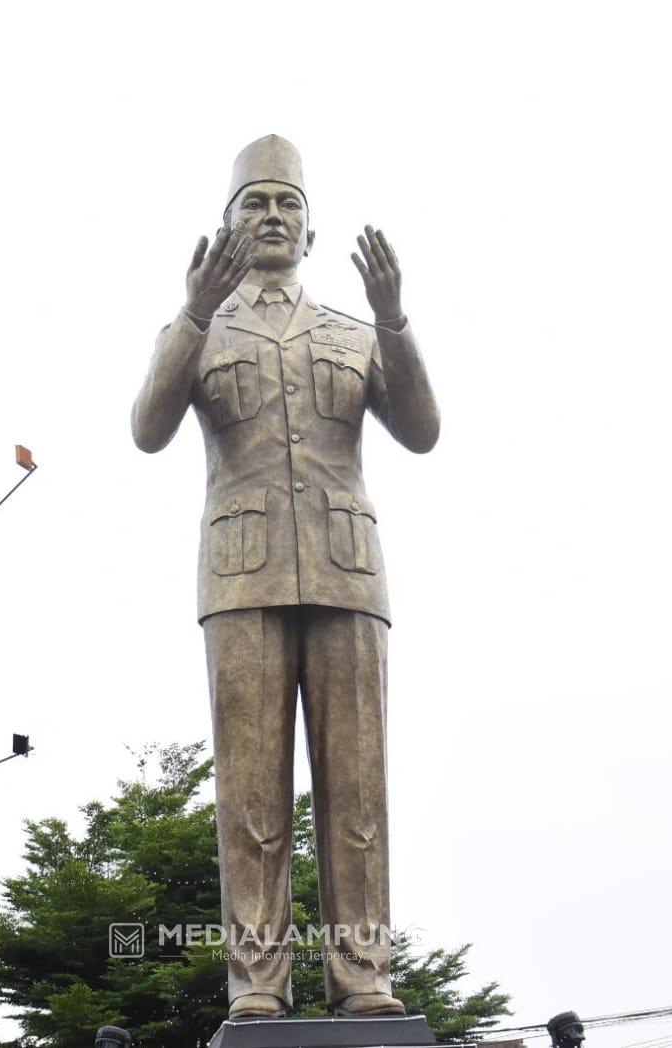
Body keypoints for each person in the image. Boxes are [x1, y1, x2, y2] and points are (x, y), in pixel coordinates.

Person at [130, 136, 439, 1019]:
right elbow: (147, 429)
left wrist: (395, 318)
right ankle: (258, 986)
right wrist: (190, 315)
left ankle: (363, 979)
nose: (271, 215)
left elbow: (420, 430)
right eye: (253, 202)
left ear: (310, 228)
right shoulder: (194, 330)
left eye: (286, 203)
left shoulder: (354, 331)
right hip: (240, 578)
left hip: (348, 574)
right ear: (226, 226)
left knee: (358, 792)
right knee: (251, 798)